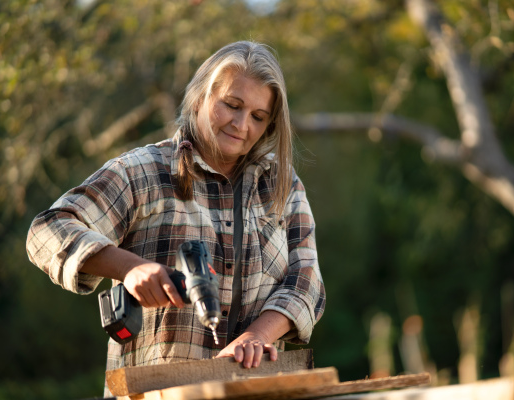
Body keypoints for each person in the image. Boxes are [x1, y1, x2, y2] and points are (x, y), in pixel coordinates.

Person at [26, 41, 325, 391]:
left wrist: (257, 336)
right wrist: (130, 267)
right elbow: (48, 230)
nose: (241, 124)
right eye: (232, 105)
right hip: (154, 393)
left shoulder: (282, 186)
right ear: (199, 98)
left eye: (258, 117)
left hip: (255, 391)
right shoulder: (142, 172)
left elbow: (307, 283)